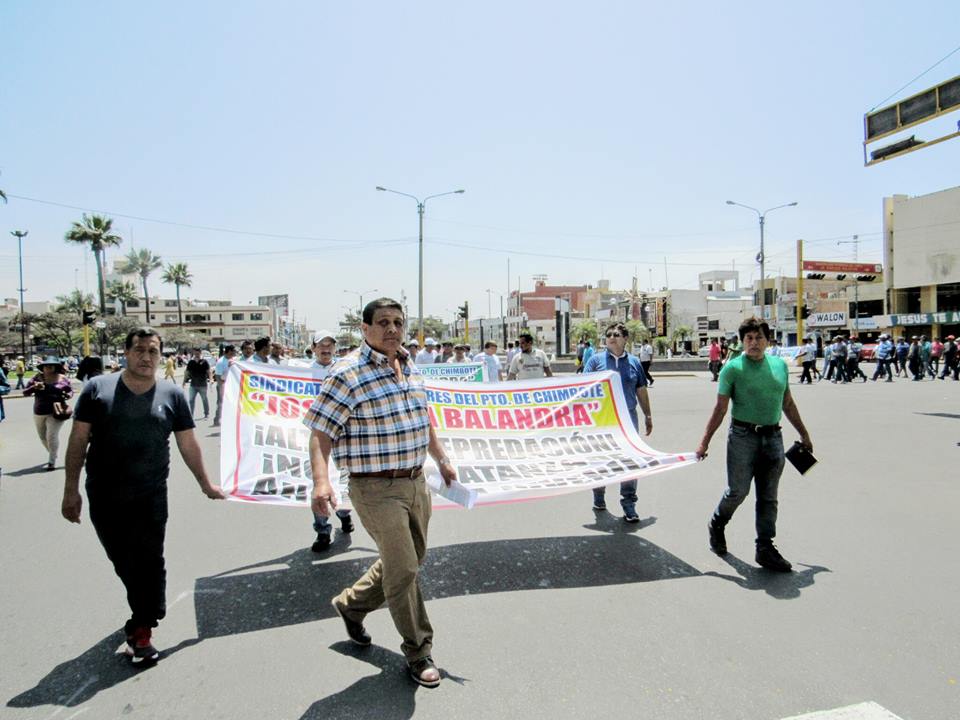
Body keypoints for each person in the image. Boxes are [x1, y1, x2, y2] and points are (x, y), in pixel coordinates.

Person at [304, 298, 456, 688]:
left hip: (415, 481)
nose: (392, 329)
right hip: (374, 487)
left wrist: (440, 457)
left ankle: (351, 604)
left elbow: (423, 418)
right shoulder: (346, 373)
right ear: (365, 328)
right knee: (404, 568)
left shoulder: (409, 365)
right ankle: (419, 650)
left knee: (410, 558)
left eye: (398, 323)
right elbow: (320, 434)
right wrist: (322, 483)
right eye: (383, 322)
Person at [61, 327, 224, 665]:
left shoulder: (171, 394)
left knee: (150, 559)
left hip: (151, 494)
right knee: (123, 559)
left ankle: (143, 625)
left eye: (153, 351)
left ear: (160, 356)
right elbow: (78, 442)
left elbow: (187, 443)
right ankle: (144, 608)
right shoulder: (96, 390)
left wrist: (205, 484)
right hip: (105, 494)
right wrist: (70, 490)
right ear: (125, 353)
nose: (146, 357)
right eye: (139, 350)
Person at [696, 317, 813, 572]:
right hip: (742, 437)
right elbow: (720, 408)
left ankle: (765, 547)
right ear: (742, 342)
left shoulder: (779, 366)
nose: (754, 343)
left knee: (769, 497)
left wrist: (804, 434)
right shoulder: (732, 369)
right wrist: (704, 443)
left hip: (773, 438)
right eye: (748, 338)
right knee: (737, 491)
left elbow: (788, 404)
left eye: (759, 337)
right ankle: (717, 523)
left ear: (768, 340)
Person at [583, 322, 652, 523]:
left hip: (628, 419)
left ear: (625, 339)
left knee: (630, 460)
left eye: (616, 334)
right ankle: (599, 495)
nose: (612, 337)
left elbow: (641, 389)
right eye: (608, 334)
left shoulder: (634, 362)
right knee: (602, 459)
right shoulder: (595, 361)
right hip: (602, 420)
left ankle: (629, 503)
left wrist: (648, 415)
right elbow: (583, 389)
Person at [306, 330, 353, 552]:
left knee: (342, 481)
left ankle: (344, 514)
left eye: (330, 344)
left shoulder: (343, 370)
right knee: (318, 483)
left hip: (340, 435)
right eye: (321, 345)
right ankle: (322, 531)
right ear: (313, 348)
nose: (326, 348)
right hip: (316, 436)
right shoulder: (302, 372)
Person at [23, 356, 74, 470]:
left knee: (51, 435)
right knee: (42, 437)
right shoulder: (37, 378)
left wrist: (67, 395)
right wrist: (33, 387)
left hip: (56, 411)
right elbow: (25, 393)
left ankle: (51, 461)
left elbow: (70, 391)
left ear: (56, 367)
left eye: (51, 366)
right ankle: (53, 453)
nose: (48, 368)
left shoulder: (62, 378)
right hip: (39, 411)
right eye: (46, 366)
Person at [183, 348, 212, 419]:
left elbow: (209, 371)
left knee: (204, 399)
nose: (196, 354)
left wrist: (211, 379)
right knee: (191, 400)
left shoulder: (204, 361)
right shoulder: (191, 362)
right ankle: (191, 415)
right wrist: (184, 381)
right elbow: (187, 372)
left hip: (203, 384)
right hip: (193, 384)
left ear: (200, 352)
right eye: (195, 352)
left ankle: (206, 413)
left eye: (198, 352)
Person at [212, 345, 236, 427]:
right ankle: (217, 419)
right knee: (221, 403)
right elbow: (218, 377)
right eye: (233, 351)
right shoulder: (221, 362)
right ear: (229, 351)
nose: (235, 353)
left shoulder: (232, 360)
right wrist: (221, 388)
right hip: (222, 385)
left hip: (231, 385)